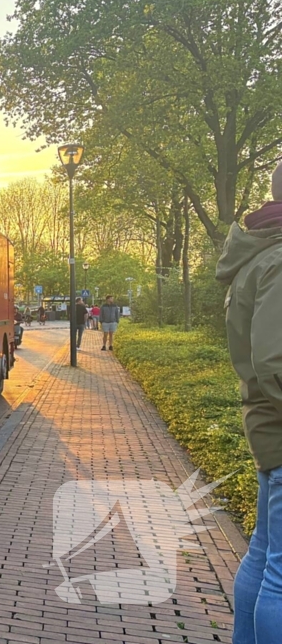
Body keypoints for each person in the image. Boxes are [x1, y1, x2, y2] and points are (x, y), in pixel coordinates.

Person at [219, 159, 282, 643]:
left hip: (268, 429)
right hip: (279, 430)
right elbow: (275, 361)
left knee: (263, 555)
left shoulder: (261, 254)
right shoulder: (279, 259)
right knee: (279, 575)